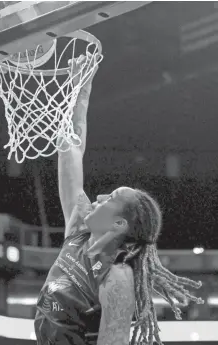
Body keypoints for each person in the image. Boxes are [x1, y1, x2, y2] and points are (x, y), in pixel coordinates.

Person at [34, 54, 204, 345]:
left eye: (110, 197)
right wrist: (80, 89)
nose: (99, 196)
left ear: (118, 223)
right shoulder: (78, 233)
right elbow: (70, 151)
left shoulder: (116, 278)